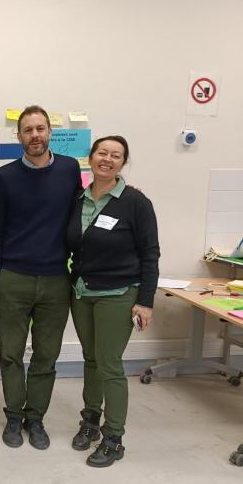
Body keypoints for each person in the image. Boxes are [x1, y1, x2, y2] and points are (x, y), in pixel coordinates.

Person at [0, 105, 81, 450]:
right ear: (18, 136)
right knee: (11, 354)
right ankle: (14, 416)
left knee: (46, 355)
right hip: (14, 278)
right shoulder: (5, 176)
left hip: (57, 279)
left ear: (49, 131)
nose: (35, 136)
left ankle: (35, 418)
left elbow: (79, 217)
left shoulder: (70, 170)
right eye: (27, 130)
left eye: (40, 129)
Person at [67, 135, 159, 467]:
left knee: (109, 364)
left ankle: (114, 437)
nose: (107, 159)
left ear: (123, 163)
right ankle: (90, 420)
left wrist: (145, 301)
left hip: (119, 295)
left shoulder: (135, 202)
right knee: (91, 359)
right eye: (102, 153)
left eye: (116, 155)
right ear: (90, 158)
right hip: (82, 293)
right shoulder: (78, 198)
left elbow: (150, 254)